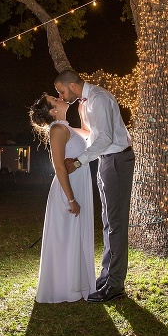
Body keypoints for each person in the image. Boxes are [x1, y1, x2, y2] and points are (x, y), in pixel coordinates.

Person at [55, 69, 134, 303]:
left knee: (116, 223)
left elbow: (106, 138)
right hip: (106, 160)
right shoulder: (83, 104)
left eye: (61, 91)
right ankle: (107, 275)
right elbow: (91, 134)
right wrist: (64, 130)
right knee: (109, 220)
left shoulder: (99, 98)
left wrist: (79, 161)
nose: (60, 95)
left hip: (118, 160)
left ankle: (115, 285)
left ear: (72, 85)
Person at [29, 94, 94, 303]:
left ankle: (78, 284)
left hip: (79, 183)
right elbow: (58, 166)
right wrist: (71, 199)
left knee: (76, 235)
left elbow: (89, 134)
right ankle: (64, 288)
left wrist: (82, 111)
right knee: (66, 237)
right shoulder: (57, 130)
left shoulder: (66, 127)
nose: (60, 97)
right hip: (68, 189)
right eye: (54, 99)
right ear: (52, 111)